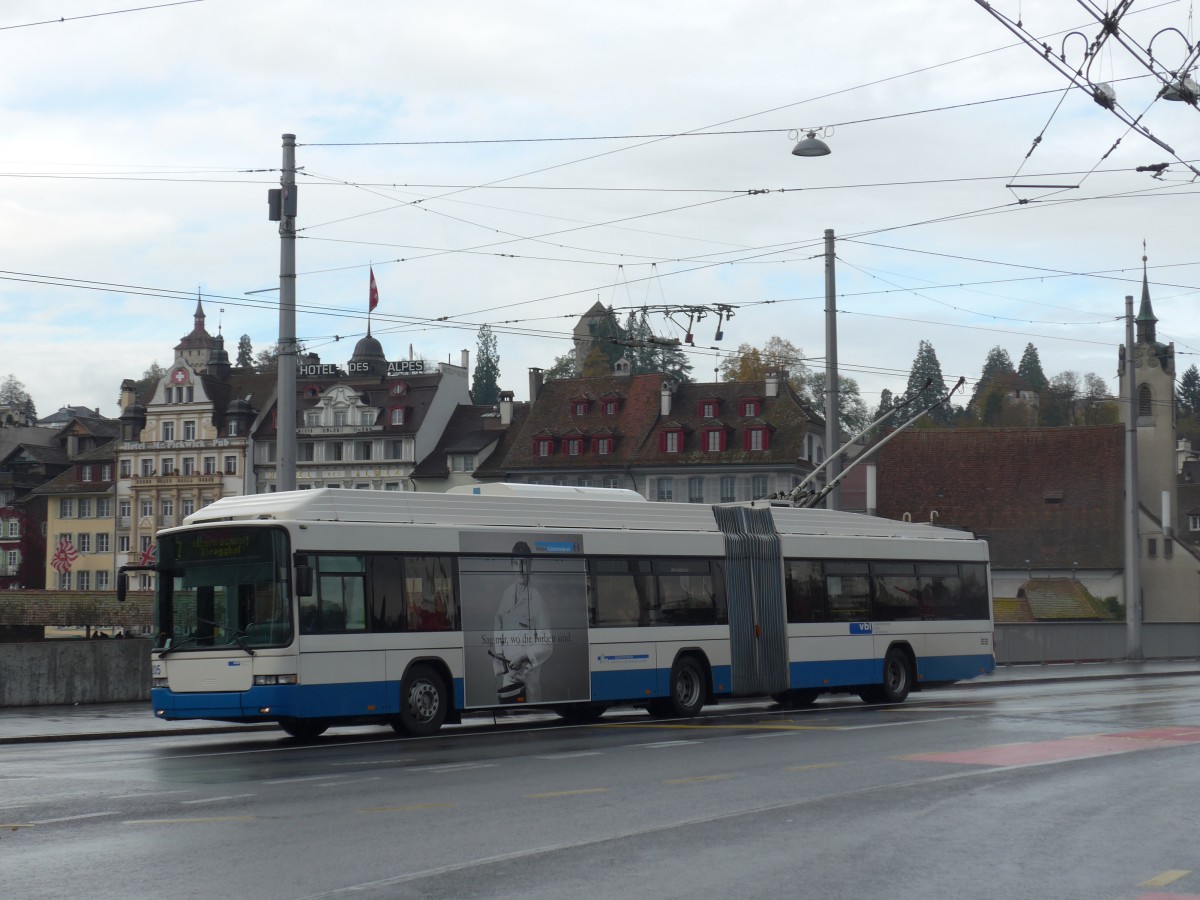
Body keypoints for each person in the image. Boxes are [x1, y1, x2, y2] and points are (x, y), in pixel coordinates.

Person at [491, 541, 553, 702]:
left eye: (524, 563)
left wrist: (524, 657)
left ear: (530, 565)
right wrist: (499, 654)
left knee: (531, 717)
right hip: (508, 676)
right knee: (509, 718)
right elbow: (498, 625)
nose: (519, 569)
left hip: (528, 678)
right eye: (516, 563)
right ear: (512, 565)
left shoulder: (537, 600)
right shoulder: (506, 595)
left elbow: (547, 643)